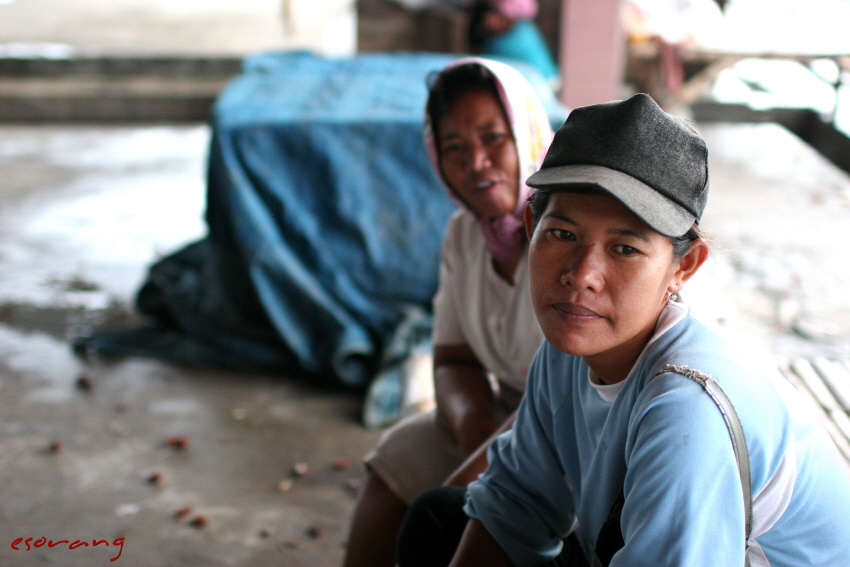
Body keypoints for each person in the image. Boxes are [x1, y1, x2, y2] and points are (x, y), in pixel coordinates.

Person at [397, 93, 850, 566]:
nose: (581, 275)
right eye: (563, 234)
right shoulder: (568, 351)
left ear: (685, 266)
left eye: (625, 249)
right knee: (442, 520)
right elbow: (515, 504)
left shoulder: (688, 407)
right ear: (531, 226)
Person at [342, 57, 554, 567]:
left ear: (525, 135)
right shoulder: (464, 235)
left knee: (447, 513)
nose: (475, 162)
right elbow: (454, 359)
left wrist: (477, 466)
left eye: (492, 138)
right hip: (497, 417)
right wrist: (473, 429)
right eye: (455, 148)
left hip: (569, 432)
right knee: (397, 458)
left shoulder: (564, 232)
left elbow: (567, 400)